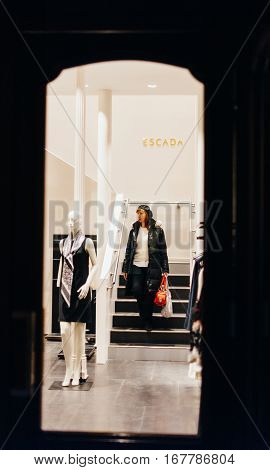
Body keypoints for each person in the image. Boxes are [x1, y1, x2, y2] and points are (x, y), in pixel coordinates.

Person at [57, 210, 97, 386]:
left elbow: (95, 264)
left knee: (79, 333)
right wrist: (59, 284)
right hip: (66, 291)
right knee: (65, 330)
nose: (71, 222)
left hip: (81, 290)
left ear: (81, 221)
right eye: (70, 220)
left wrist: (88, 284)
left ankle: (77, 372)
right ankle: (68, 370)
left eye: (75, 219)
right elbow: (62, 264)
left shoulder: (87, 242)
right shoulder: (62, 243)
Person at [122, 204, 169, 331]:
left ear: (147, 214)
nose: (139, 215)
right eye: (138, 213)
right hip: (136, 265)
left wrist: (165, 269)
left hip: (152, 266)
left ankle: (148, 321)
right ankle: (144, 316)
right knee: (137, 290)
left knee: (150, 294)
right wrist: (125, 268)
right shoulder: (133, 231)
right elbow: (128, 250)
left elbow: (163, 250)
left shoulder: (157, 230)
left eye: (141, 213)